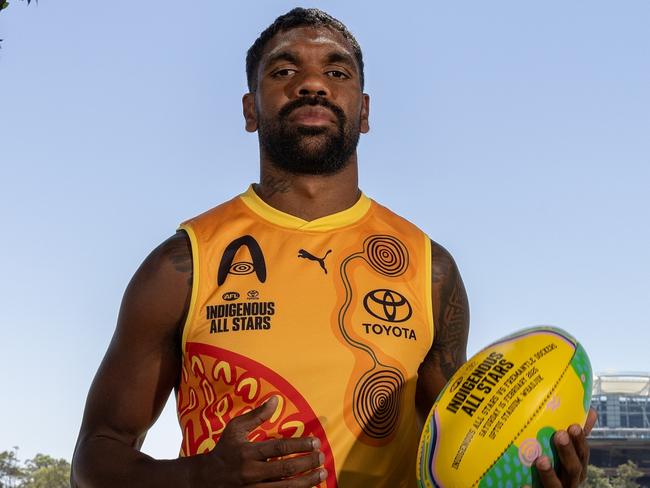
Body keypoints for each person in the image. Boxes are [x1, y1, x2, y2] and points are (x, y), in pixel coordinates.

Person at [72, 8, 596, 487]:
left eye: (337, 72)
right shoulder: (183, 264)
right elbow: (94, 460)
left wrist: (529, 473)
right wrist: (199, 477)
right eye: (283, 71)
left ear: (364, 111)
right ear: (250, 109)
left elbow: (457, 455)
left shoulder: (430, 269)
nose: (312, 85)